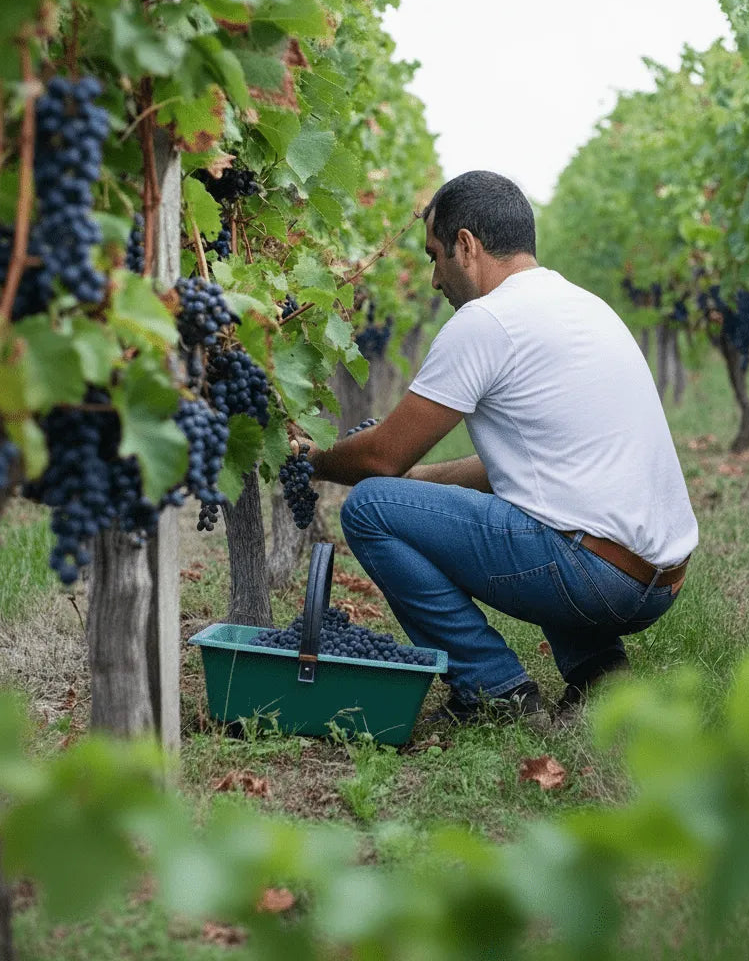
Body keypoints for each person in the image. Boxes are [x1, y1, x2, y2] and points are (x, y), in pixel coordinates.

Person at [295, 170, 698, 722]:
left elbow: (378, 458)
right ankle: (600, 676)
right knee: (536, 508)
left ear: (467, 246)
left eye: (435, 255)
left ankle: (494, 692)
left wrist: (314, 459)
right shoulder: (583, 305)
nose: (434, 279)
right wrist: (417, 485)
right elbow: (529, 469)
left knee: (369, 508)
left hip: (598, 576)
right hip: (657, 578)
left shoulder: (487, 321)